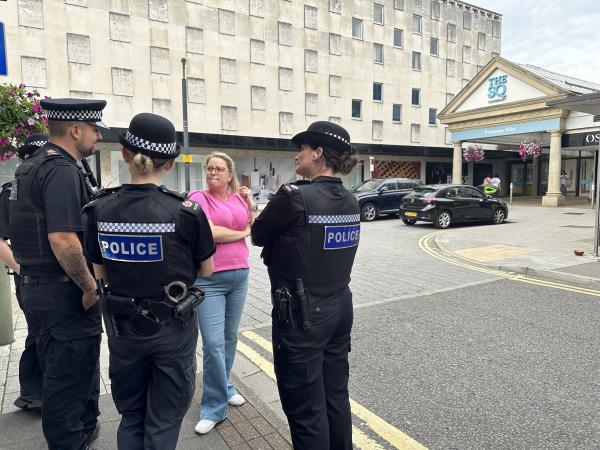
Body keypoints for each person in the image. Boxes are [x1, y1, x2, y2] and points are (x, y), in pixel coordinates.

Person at [82, 112, 216, 450]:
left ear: (125, 155)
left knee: (131, 416)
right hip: (173, 327)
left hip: (123, 328)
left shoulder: (98, 209)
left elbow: (99, 273)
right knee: (164, 418)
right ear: (170, 163)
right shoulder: (187, 212)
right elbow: (208, 270)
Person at [251, 121, 360, 450]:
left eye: (301, 148)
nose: (296, 155)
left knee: (306, 409)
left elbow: (258, 235)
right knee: (335, 397)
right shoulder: (351, 201)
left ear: (319, 152)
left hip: (302, 315)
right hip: (340, 306)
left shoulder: (295, 196)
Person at [8, 99, 107, 450]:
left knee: (59, 375)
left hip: (37, 288)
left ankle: (79, 433)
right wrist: (89, 286)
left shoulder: (31, 166)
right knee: (69, 381)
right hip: (63, 292)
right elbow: (63, 238)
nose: (98, 136)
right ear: (76, 130)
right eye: (95, 130)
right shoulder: (61, 169)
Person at [188, 152, 258, 435]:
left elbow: (255, 224)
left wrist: (251, 203)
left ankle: (226, 387)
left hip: (240, 276)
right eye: (209, 168)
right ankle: (214, 407)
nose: (213, 173)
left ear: (230, 174)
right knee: (213, 344)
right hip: (209, 281)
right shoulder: (198, 197)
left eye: (219, 169)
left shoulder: (239, 198)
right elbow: (209, 231)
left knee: (230, 339)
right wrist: (243, 232)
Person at [0, 133, 47, 412]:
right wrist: (20, 269)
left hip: (44, 274)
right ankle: (32, 393)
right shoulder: (11, 190)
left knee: (39, 332)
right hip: (28, 275)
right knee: (38, 332)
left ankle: (33, 392)